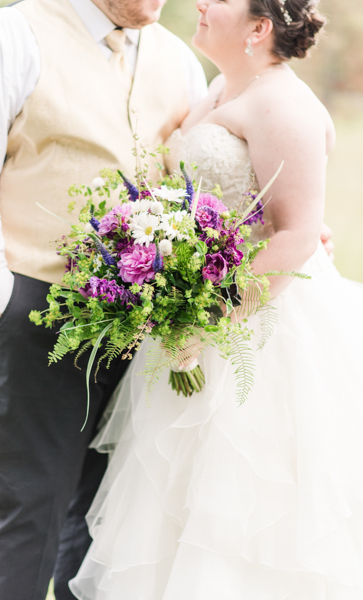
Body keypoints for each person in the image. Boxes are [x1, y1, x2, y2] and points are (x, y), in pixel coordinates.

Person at [69, 0, 363, 596]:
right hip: (193, 317)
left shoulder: (285, 105)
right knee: (172, 506)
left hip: (256, 330)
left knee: (238, 514)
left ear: (259, 28)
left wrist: (211, 319)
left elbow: (298, 234)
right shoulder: (218, 89)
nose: (201, 3)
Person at [0, 1, 208, 597]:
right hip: (38, 305)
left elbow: (200, 180)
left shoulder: (180, 60)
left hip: (153, 321)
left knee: (114, 513)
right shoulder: (7, 35)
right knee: (29, 501)